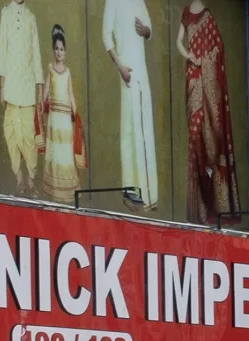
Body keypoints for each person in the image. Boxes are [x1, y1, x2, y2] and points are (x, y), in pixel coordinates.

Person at [176, 0, 239, 225]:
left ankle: (214, 193)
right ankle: (199, 204)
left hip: (207, 78)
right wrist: (190, 57)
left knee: (210, 134)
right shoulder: (186, 12)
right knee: (194, 133)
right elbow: (178, 42)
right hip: (193, 78)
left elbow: (217, 47)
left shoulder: (208, 16)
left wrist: (206, 60)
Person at [102, 0, 159, 209]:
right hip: (127, 70)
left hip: (141, 70)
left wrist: (145, 31)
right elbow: (106, 36)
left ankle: (148, 192)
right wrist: (120, 66)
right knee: (128, 130)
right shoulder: (112, 2)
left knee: (144, 129)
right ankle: (131, 190)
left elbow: (149, 28)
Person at [35, 24, 86, 205]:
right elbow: (47, 90)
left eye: (62, 49)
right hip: (54, 118)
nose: (59, 52)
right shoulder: (50, 68)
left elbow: (71, 93)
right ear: (53, 50)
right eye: (56, 49)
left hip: (65, 118)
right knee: (55, 151)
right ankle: (55, 189)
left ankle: (67, 191)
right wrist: (41, 104)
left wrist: (75, 113)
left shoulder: (68, 72)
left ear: (66, 52)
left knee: (65, 152)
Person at [0, 0, 42, 195]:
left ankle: (32, 176)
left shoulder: (31, 17)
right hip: (11, 85)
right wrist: (2, 85)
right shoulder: (5, 14)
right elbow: (2, 49)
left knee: (27, 135)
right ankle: (19, 177)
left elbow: (37, 52)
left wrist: (39, 88)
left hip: (27, 85)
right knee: (11, 134)